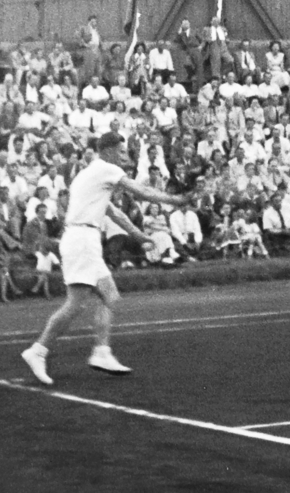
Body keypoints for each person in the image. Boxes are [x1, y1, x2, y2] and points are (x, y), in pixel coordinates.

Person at [21, 132, 187, 385]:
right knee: (75, 303)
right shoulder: (105, 169)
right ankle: (38, 351)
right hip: (81, 240)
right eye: (121, 152)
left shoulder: (89, 176)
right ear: (108, 151)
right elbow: (140, 190)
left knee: (109, 295)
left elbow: (114, 212)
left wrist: (139, 235)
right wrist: (175, 199)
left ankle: (101, 352)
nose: (124, 156)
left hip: (85, 240)